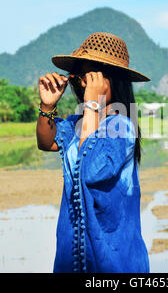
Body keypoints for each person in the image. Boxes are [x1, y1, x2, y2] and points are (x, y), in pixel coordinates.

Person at [36, 32, 151, 273]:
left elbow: (91, 169)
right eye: (80, 77)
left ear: (113, 81)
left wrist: (93, 106)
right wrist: (47, 107)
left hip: (113, 260)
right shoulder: (77, 123)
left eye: (91, 77)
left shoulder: (121, 126)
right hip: (75, 255)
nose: (83, 84)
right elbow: (47, 142)